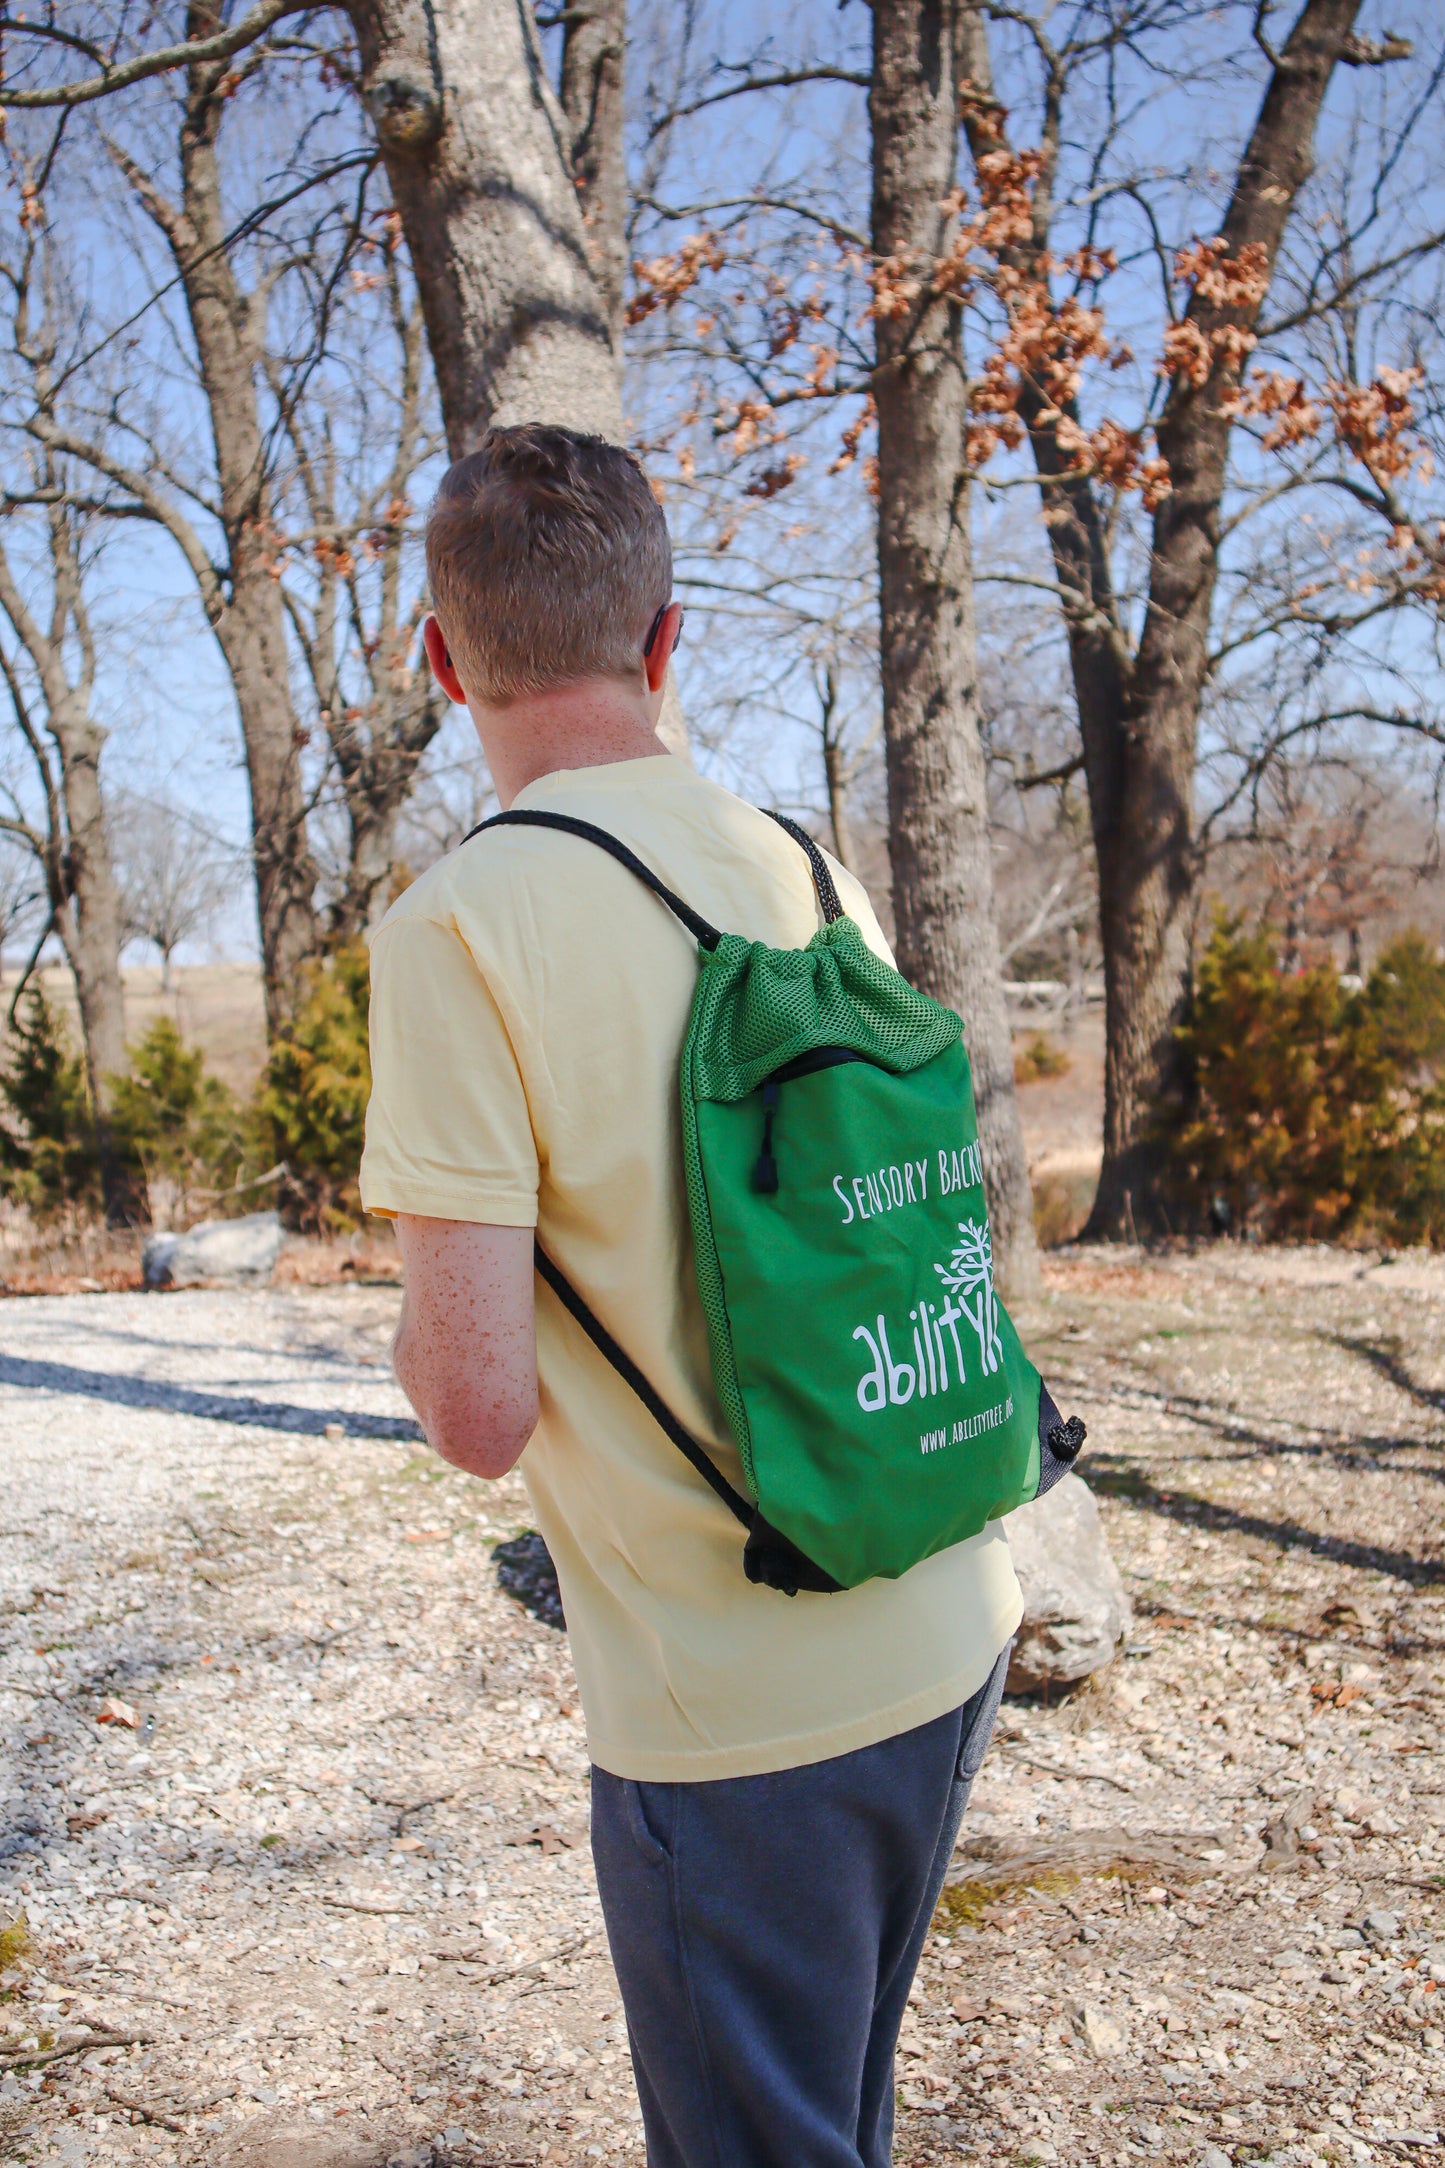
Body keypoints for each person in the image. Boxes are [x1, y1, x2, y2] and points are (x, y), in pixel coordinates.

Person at [360, 423, 1019, 2168]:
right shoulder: (802, 865)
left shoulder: (455, 929)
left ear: (442, 662)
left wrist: (416, 1328)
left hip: (736, 1706)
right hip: (945, 1598)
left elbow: (475, 1412)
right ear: (664, 640)